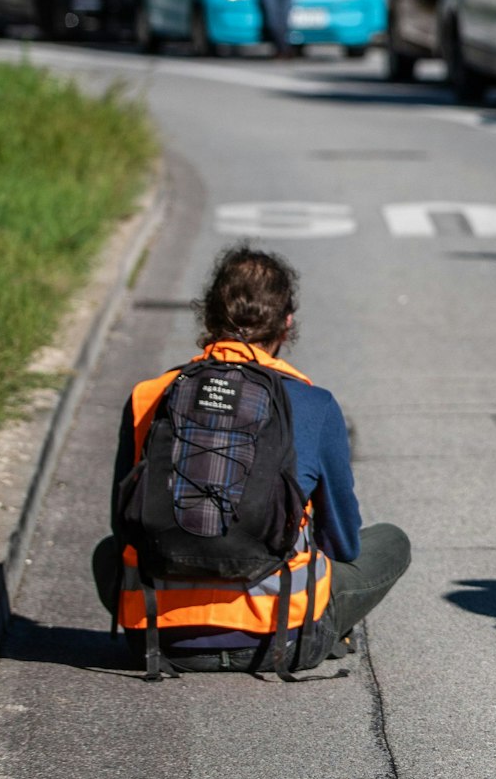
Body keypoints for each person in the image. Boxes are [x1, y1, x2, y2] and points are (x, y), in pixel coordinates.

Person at [95, 245, 409, 675]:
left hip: (160, 640)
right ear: (287, 323)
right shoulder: (313, 405)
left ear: (208, 319)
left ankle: (175, 619)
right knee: (390, 541)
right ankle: (330, 629)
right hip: (283, 640)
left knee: (105, 551)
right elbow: (344, 543)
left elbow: (123, 525)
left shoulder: (149, 396)